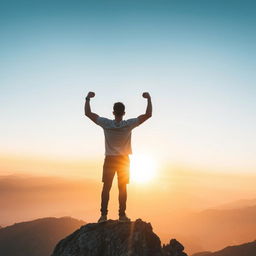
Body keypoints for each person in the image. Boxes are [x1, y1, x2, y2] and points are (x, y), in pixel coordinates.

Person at [84, 91, 152, 222]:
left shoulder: (106, 123)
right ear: (124, 113)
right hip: (123, 160)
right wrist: (148, 99)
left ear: (113, 112)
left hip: (109, 159)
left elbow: (88, 113)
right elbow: (148, 115)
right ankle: (122, 215)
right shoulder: (129, 124)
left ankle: (103, 216)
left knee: (106, 188)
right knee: (122, 188)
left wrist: (88, 98)